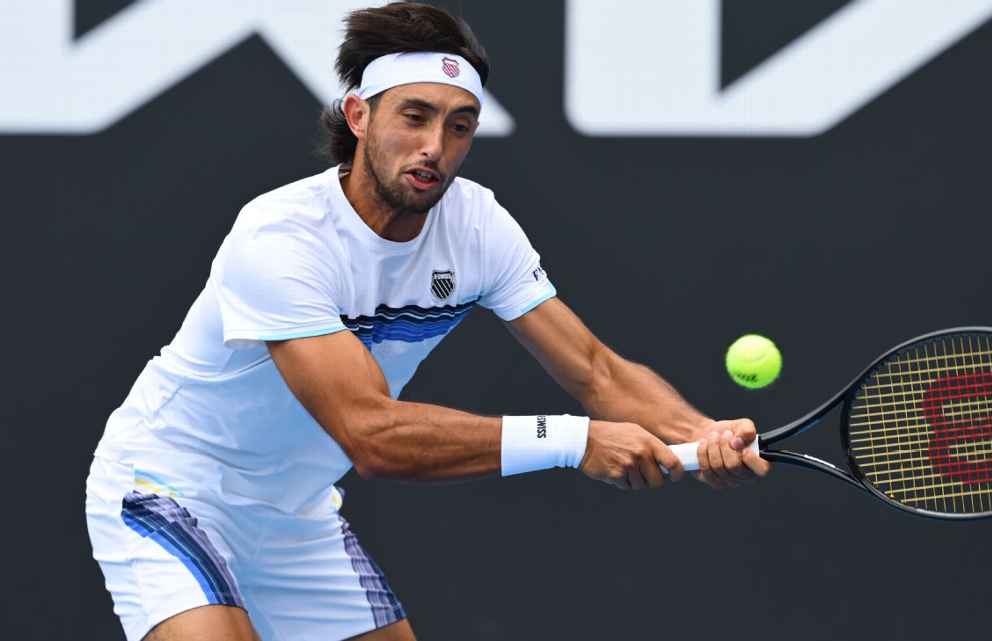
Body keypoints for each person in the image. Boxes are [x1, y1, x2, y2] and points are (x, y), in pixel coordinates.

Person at [84, 3, 770, 640]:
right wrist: (571, 441)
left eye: (459, 124)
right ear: (358, 115)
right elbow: (370, 434)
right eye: (414, 116)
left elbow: (596, 370)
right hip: (171, 487)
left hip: (294, 514)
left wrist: (701, 436)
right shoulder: (280, 238)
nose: (436, 146)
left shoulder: (478, 227)